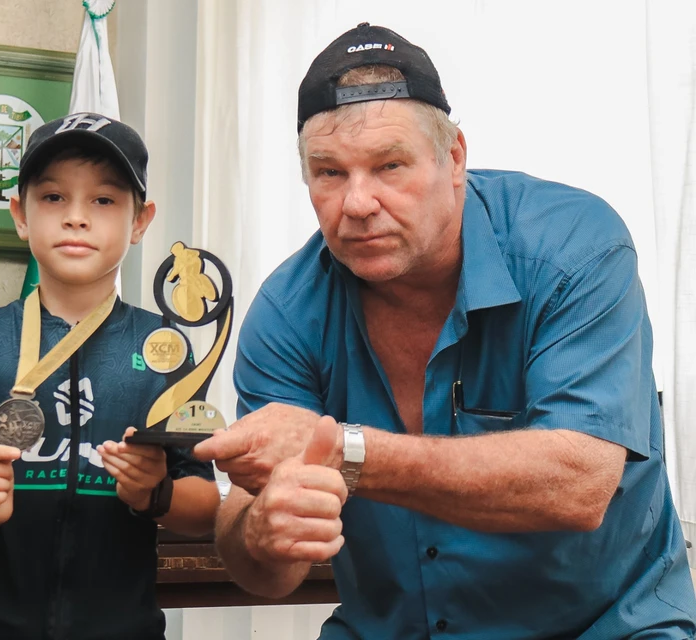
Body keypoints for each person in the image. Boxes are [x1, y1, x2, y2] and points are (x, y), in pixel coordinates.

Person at [193, 22, 696, 639]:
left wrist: (348, 452)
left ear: (453, 157)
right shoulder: (286, 310)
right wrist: (262, 532)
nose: (357, 203)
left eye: (389, 165)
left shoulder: (573, 248)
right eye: (329, 173)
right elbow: (262, 563)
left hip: (602, 629)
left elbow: (579, 485)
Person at [0, 113, 221, 640]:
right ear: (20, 215)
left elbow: (204, 505)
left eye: (103, 200)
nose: (76, 218)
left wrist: (156, 493)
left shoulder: (166, 350)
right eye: (54, 197)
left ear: (140, 221)